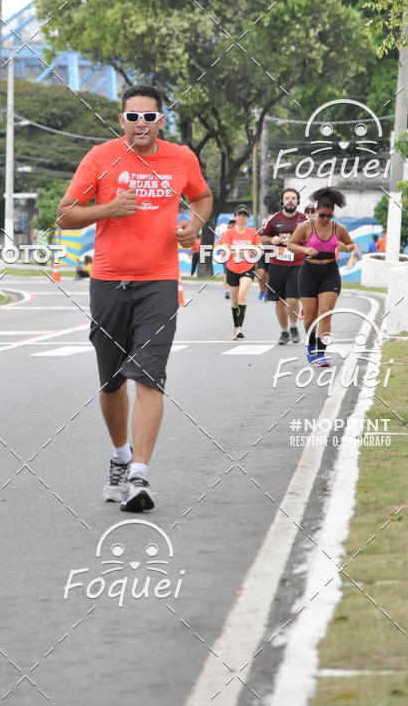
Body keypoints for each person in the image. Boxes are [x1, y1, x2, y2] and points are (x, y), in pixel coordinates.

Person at [57, 84, 212, 512]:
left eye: (148, 116)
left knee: (149, 375)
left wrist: (194, 225)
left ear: (161, 120)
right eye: (132, 116)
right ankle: (120, 455)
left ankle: (139, 475)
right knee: (111, 382)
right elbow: (65, 215)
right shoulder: (100, 158)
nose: (140, 124)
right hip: (108, 283)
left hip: (159, 282)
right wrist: (107, 210)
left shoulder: (181, 158)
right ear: (121, 120)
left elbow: (202, 195)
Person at [288, 187, 356, 368]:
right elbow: (291, 245)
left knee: (325, 315)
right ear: (316, 210)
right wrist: (304, 249)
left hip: (330, 273)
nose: (325, 219)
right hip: (309, 273)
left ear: (333, 213)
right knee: (310, 318)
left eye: (329, 215)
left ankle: (320, 353)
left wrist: (345, 248)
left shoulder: (338, 228)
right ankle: (311, 345)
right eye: (322, 215)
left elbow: (352, 245)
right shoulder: (306, 226)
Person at [259, 188, 306, 345]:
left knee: (292, 299)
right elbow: (262, 237)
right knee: (279, 300)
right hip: (277, 264)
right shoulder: (274, 218)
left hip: (297, 264)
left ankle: (293, 326)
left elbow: (312, 237)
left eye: (293, 198)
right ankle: (284, 331)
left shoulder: (304, 219)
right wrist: (271, 240)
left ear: (298, 201)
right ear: (282, 201)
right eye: (287, 198)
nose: (290, 201)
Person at [217, 206, 261, 339]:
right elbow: (225, 250)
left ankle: (240, 328)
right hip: (232, 269)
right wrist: (246, 249)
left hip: (247, 268)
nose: (241, 217)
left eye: (244, 215)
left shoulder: (253, 232)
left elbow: (260, 250)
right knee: (234, 300)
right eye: (239, 215)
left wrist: (250, 250)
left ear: (248, 218)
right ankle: (235, 327)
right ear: (235, 217)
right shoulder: (229, 233)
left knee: (242, 295)